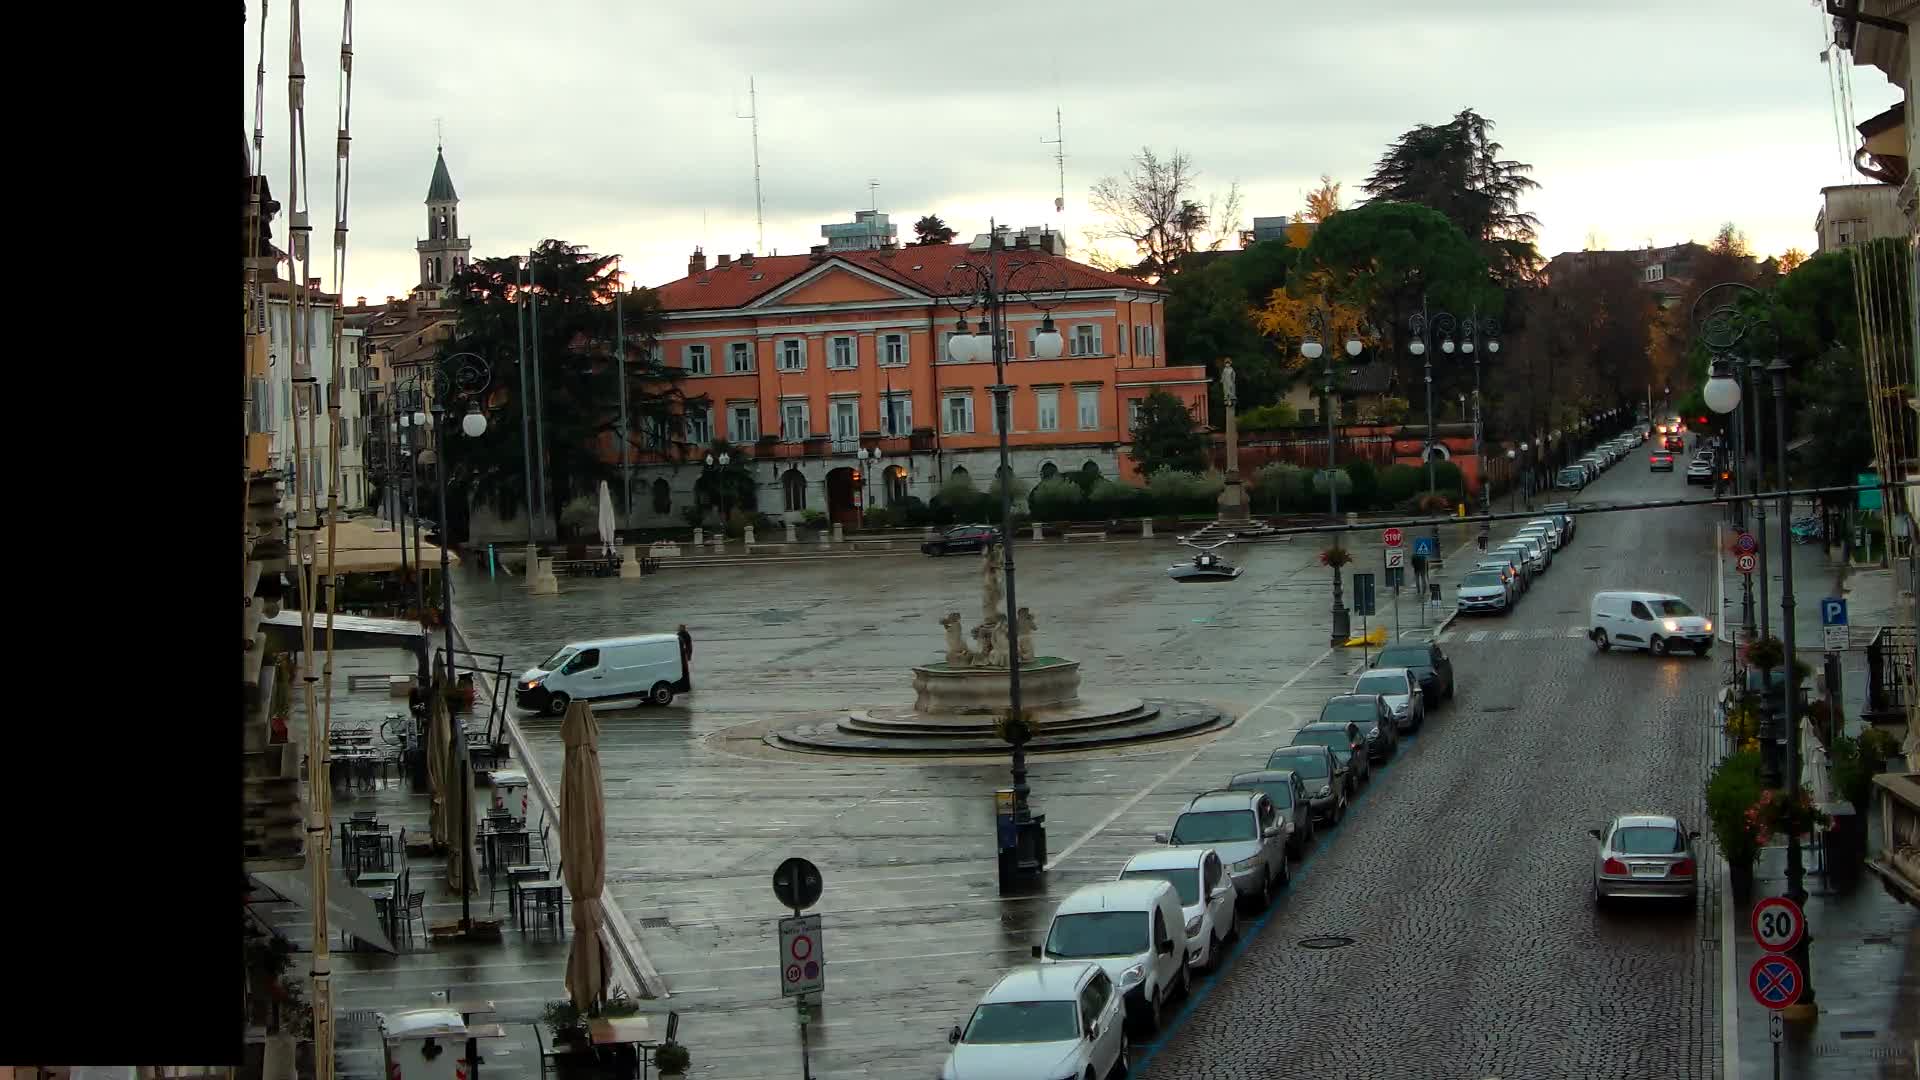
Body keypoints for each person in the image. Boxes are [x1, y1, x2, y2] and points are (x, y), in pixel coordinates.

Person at [678, 624, 694, 691]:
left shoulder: (686, 635)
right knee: (681, 670)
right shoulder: (678, 635)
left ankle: (686, 685)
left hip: (684, 654)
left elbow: (689, 646)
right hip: (679, 655)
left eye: (681, 627)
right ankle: (682, 684)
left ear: (684, 628)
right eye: (680, 627)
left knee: (685, 670)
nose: (680, 628)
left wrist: (689, 655)